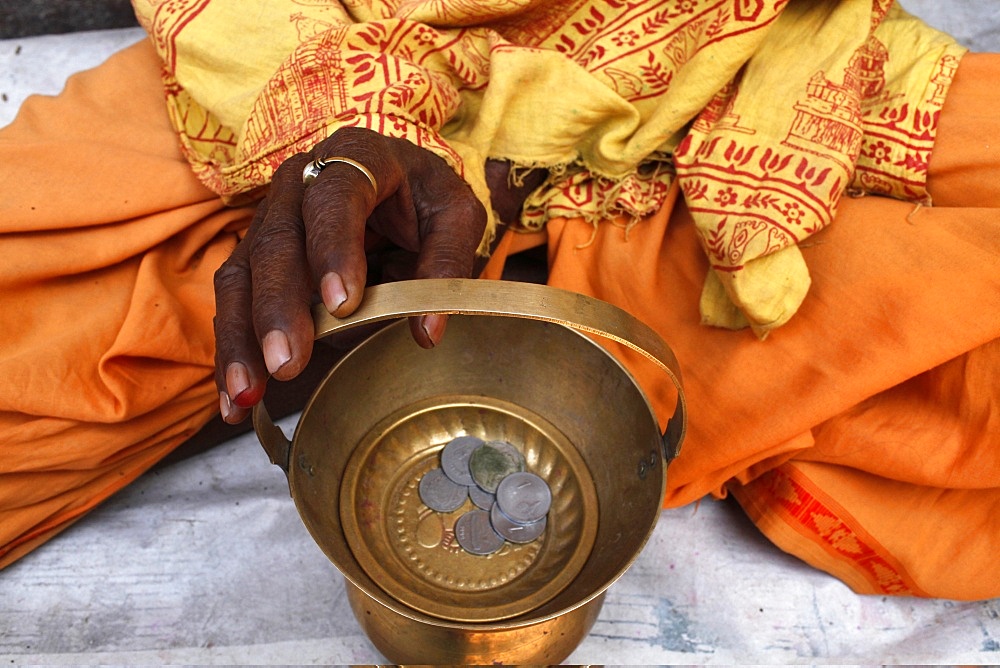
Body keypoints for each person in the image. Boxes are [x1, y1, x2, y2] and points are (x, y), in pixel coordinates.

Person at [1, 0, 997, 600]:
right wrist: (346, 118)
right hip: (333, 53)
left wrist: (530, 164)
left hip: (733, 85)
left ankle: (502, 281)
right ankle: (387, 292)